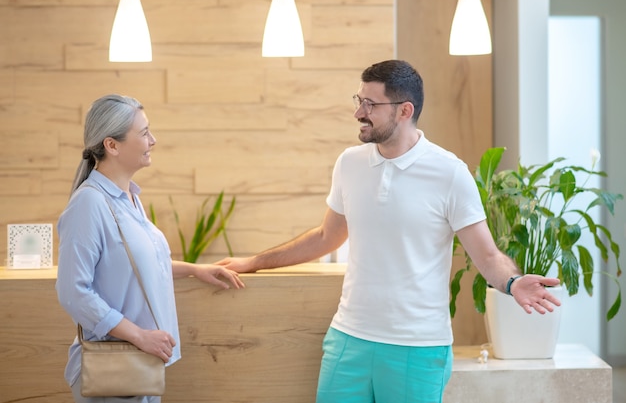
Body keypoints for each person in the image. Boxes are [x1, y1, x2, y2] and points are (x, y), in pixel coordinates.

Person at [214, 60, 561, 403]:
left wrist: (513, 283)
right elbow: (325, 237)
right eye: (359, 100)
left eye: (371, 104)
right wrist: (253, 262)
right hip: (348, 337)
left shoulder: (449, 173)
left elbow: (486, 255)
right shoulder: (349, 163)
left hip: (418, 348)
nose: (359, 113)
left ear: (404, 110)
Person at [56, 94, 245, 403]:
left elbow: (135, 268)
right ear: (112, 145)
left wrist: (194, 269)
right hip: (114, 367)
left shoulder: (129, 198)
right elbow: (73, 292)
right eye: (143, 133)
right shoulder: (89, 204)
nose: (152, 140)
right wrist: (139, 336)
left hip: (141, 364)